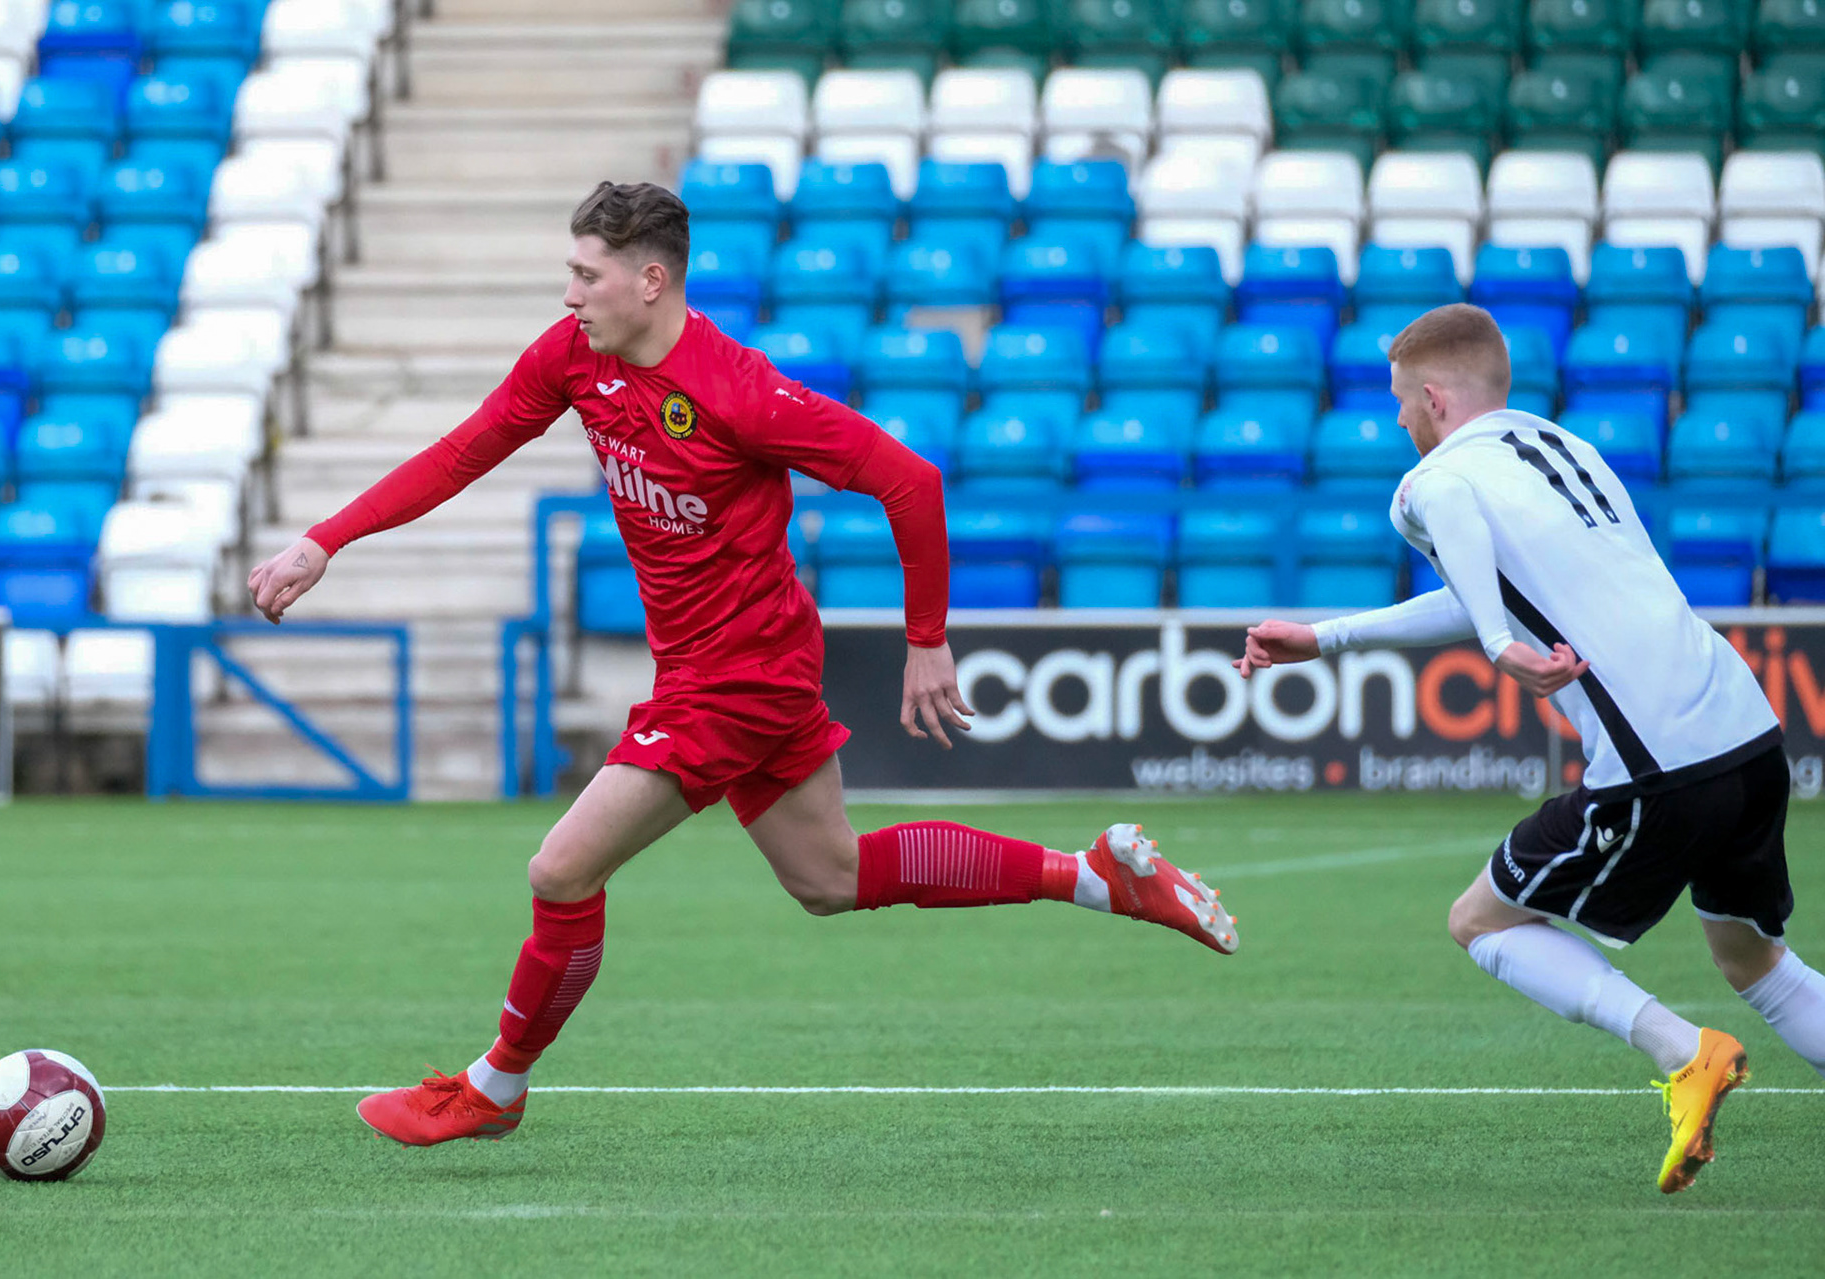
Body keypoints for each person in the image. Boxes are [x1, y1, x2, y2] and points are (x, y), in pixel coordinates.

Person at [246, 181, 1239, 1148]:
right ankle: (1095, 875)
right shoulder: (573, 359)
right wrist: (326, 541)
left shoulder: (737, 391)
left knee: (561, 867)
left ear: (649, 280)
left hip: (741, 679)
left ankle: (494, 1085)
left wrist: (926, 639)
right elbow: (467, 448)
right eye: (568, 271)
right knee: (830, 875)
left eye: (585, 274)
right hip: (720, 665)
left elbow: (910, 479)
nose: (568, 294)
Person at [1236, 303, 1825, 1193]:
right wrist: (1328, 639)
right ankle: (1699, 1047)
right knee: (1751, 958)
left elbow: (1451, 515)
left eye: (1402, 402)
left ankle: (1684, 1051)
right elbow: (1490, 588)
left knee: (1480, 920)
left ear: (1433, 397)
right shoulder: (1564, 450)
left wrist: (1495, 645)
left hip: (1660, 762)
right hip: (1747, 732)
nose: (1399, 421)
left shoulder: (1435, 478)